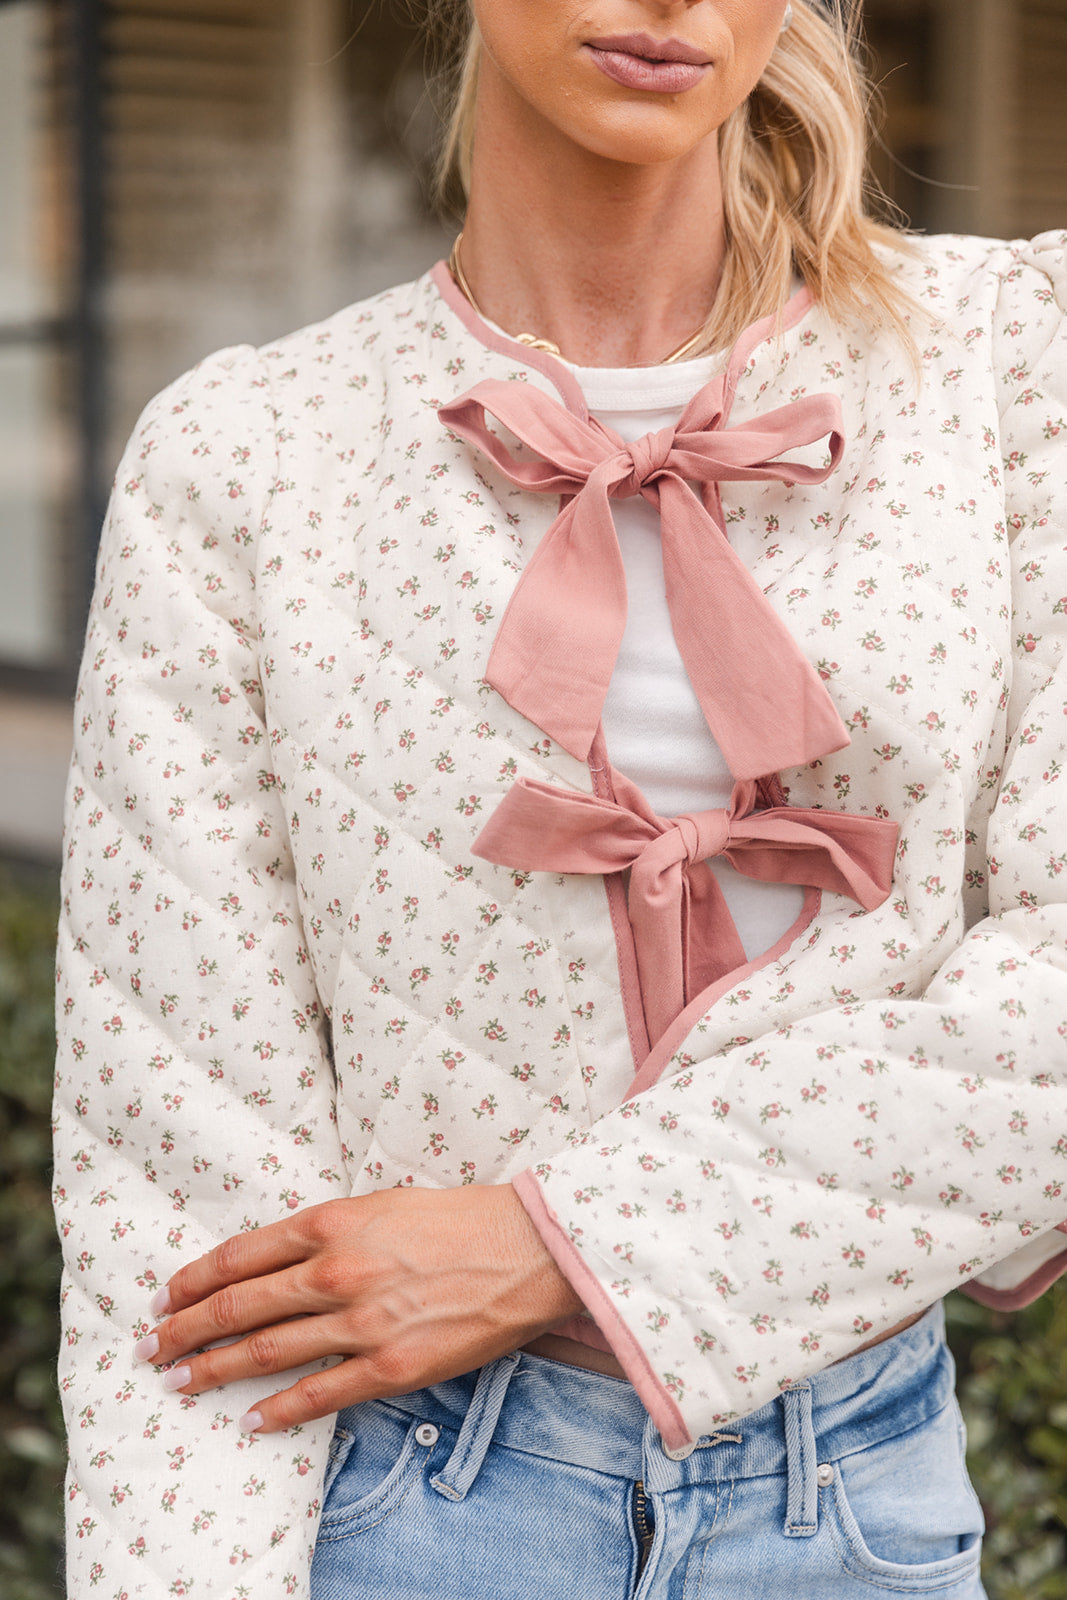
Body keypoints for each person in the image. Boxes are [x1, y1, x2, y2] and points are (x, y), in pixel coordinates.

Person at [53, 1, 1066, 1596]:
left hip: (857, 1507)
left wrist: (556, 1243)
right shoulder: (243, 461)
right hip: (414, 1511)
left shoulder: (1017, 363)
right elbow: (180, 1166)